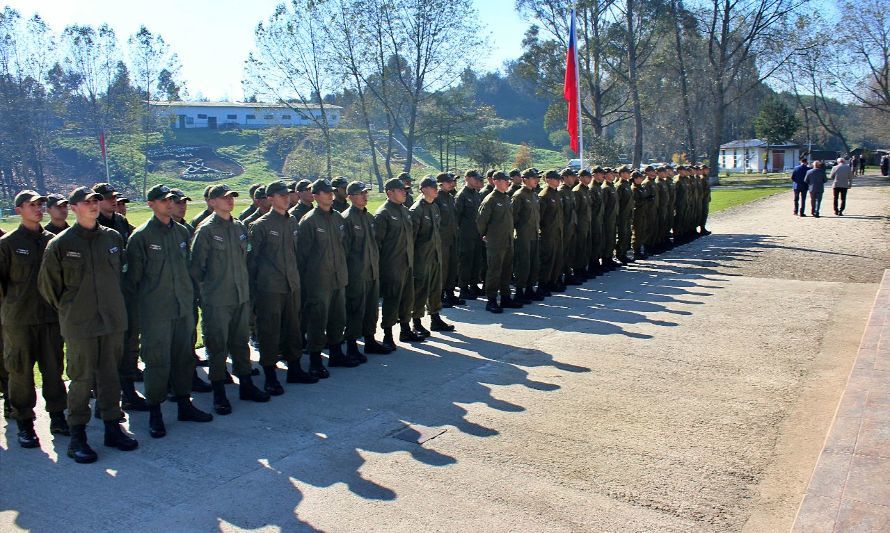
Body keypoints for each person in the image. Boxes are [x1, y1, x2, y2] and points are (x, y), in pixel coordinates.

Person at [38, 186, 138, 463]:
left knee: (109, 376)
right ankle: (77, 435)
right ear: (74, 208)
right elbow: (49, 288)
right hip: (80, 323)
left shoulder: (113, 238)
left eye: (96, 201)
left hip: (111, 320)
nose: (94, 205)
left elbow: (121, 275)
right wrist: (72, 310)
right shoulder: (60, 244)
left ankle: (111, 427)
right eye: (87, 202)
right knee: (81, 379)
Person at [126, 184, 213, 438]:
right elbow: (133, 281)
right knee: (156, 362)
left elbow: (191, 268)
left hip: (182, 308)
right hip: (156, 312)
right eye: (163, 200)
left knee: (183, 358)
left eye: (171, 200)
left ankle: (184, 404)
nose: (169, 204)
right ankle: (155, 412)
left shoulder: (183, 233)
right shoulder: (141, 237)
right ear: (151, 204)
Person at [189, 184, 270, 415]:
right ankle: (219, 393)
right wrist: (209, 293)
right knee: (217, 346)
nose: (230, 201)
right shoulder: (205, 230)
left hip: (240, 296)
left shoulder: (239, 227)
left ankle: (246, 385)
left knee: (240, 342)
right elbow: (196, 269)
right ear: (212, 202)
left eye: (232, 197)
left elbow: (246, 259)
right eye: (224, 198)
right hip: (217, 300)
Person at [0, 190, 68, 448]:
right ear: (19, 210)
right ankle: (25, 423)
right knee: (19, 373)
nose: (38, 209)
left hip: (50, 318)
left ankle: (58, 417)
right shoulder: (7, 244)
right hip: (19, 321)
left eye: (40, 205)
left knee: (53, 370)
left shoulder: (53, 241)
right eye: (31, 205)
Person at [248, 180, 321, 393]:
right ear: (270, 199)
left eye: (288, 195)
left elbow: (296, 254)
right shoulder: (260, 226)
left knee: (293, 327)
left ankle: (295, 368)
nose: (286, 199)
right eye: (281, 195)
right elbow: (251, 261)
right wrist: (255, 293)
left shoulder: (292, 222)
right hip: (269, 288)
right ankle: (270, 375)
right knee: (269, 331)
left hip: (292, 284)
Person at [297, 179, 356, 374]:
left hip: (338, 277)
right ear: (315, 196)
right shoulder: (309, 221)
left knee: (338, 317)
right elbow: (302, 255)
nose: (330, 195)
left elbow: (344, 246)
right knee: (317, 320)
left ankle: (336, 353)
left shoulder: (338, 218)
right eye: (325, 192)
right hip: (318, 280)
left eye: (331, 191)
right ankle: (315, 359)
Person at [341, 180, 392, 357]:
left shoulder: (369, 217)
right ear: (350, 197)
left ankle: (370, 340)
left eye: (365, 193)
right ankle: (352, 345)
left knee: (371, 309)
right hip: (356, 274)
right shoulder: (347, 218)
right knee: (355, 309)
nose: (364, 196)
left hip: (372, 271)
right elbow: (344, 251)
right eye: (360, 193)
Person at [375, 178, 424, 347]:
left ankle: (405, 330)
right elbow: (377, 244)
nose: (405, 193)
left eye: (405, 190)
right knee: (391, 300)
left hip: (407, 263)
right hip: (391, 266)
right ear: (390, 192)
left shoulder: (404, 211)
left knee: (407, 298)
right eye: (401, 190)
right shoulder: (383, 214)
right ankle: (388, 335)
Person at [410, 176, 453, 333]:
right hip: (421, 258)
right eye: (433, 187)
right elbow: (412, 239)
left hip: (435, 255)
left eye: (437, 186)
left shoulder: (434, 207)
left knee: (436, 288)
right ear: (424, 189)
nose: (436, 189)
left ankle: (435, 317)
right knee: (420, 290)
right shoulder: (416, 210)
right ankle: (416, 321)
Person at [477, 171, 520, 313]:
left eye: (508, 180)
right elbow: (481, 221)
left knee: (507, 270)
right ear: (496, 181)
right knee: (494, 271)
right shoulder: (491, 199)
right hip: (495, 241)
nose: (507, 183)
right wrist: (485, 235)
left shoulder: (506, 198)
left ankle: (506, 297)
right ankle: (491, 300)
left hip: (507, 240)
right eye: (504, 180)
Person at [512, 168, 542, 302]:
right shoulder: (519, 195)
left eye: (537, 178)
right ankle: (520, 291)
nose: (537, 180)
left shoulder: (534, 195)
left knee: (533, 263)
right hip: (523, 235)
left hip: (534, 233)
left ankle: (530, 289)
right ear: (525, 180)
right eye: (533, 178)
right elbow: (513, 217)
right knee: (523, 263)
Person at [455, 170, 485, 300]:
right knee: (466, 262)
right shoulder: (461, 195)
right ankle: (463, 288)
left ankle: (473, 285)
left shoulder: (476, 194)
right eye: (474, 178)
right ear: (467, 178)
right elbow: (457, 217)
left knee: (476, 261)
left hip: (476, 234)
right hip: (466, 235)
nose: (477, 181)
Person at [435, 172, 463, 308]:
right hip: (442, 239)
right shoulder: (437, 198)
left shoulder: (450, 197)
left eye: (453, 181)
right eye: (449, 181)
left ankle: (450, 293)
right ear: (440, 183)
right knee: (443, 269)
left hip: (452, 238)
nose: (452, 183)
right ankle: (439, 296)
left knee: (452, 267)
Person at [538, 170, 564, 293]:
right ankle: (544, 283)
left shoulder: (556, 193)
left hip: (557, 231)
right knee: (547, 259)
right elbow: (540, 217)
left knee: (556, 258)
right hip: (548, 232)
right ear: (548, 180)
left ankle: (552, 281)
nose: (559, 180)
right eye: (556, 178)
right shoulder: (545, 195)